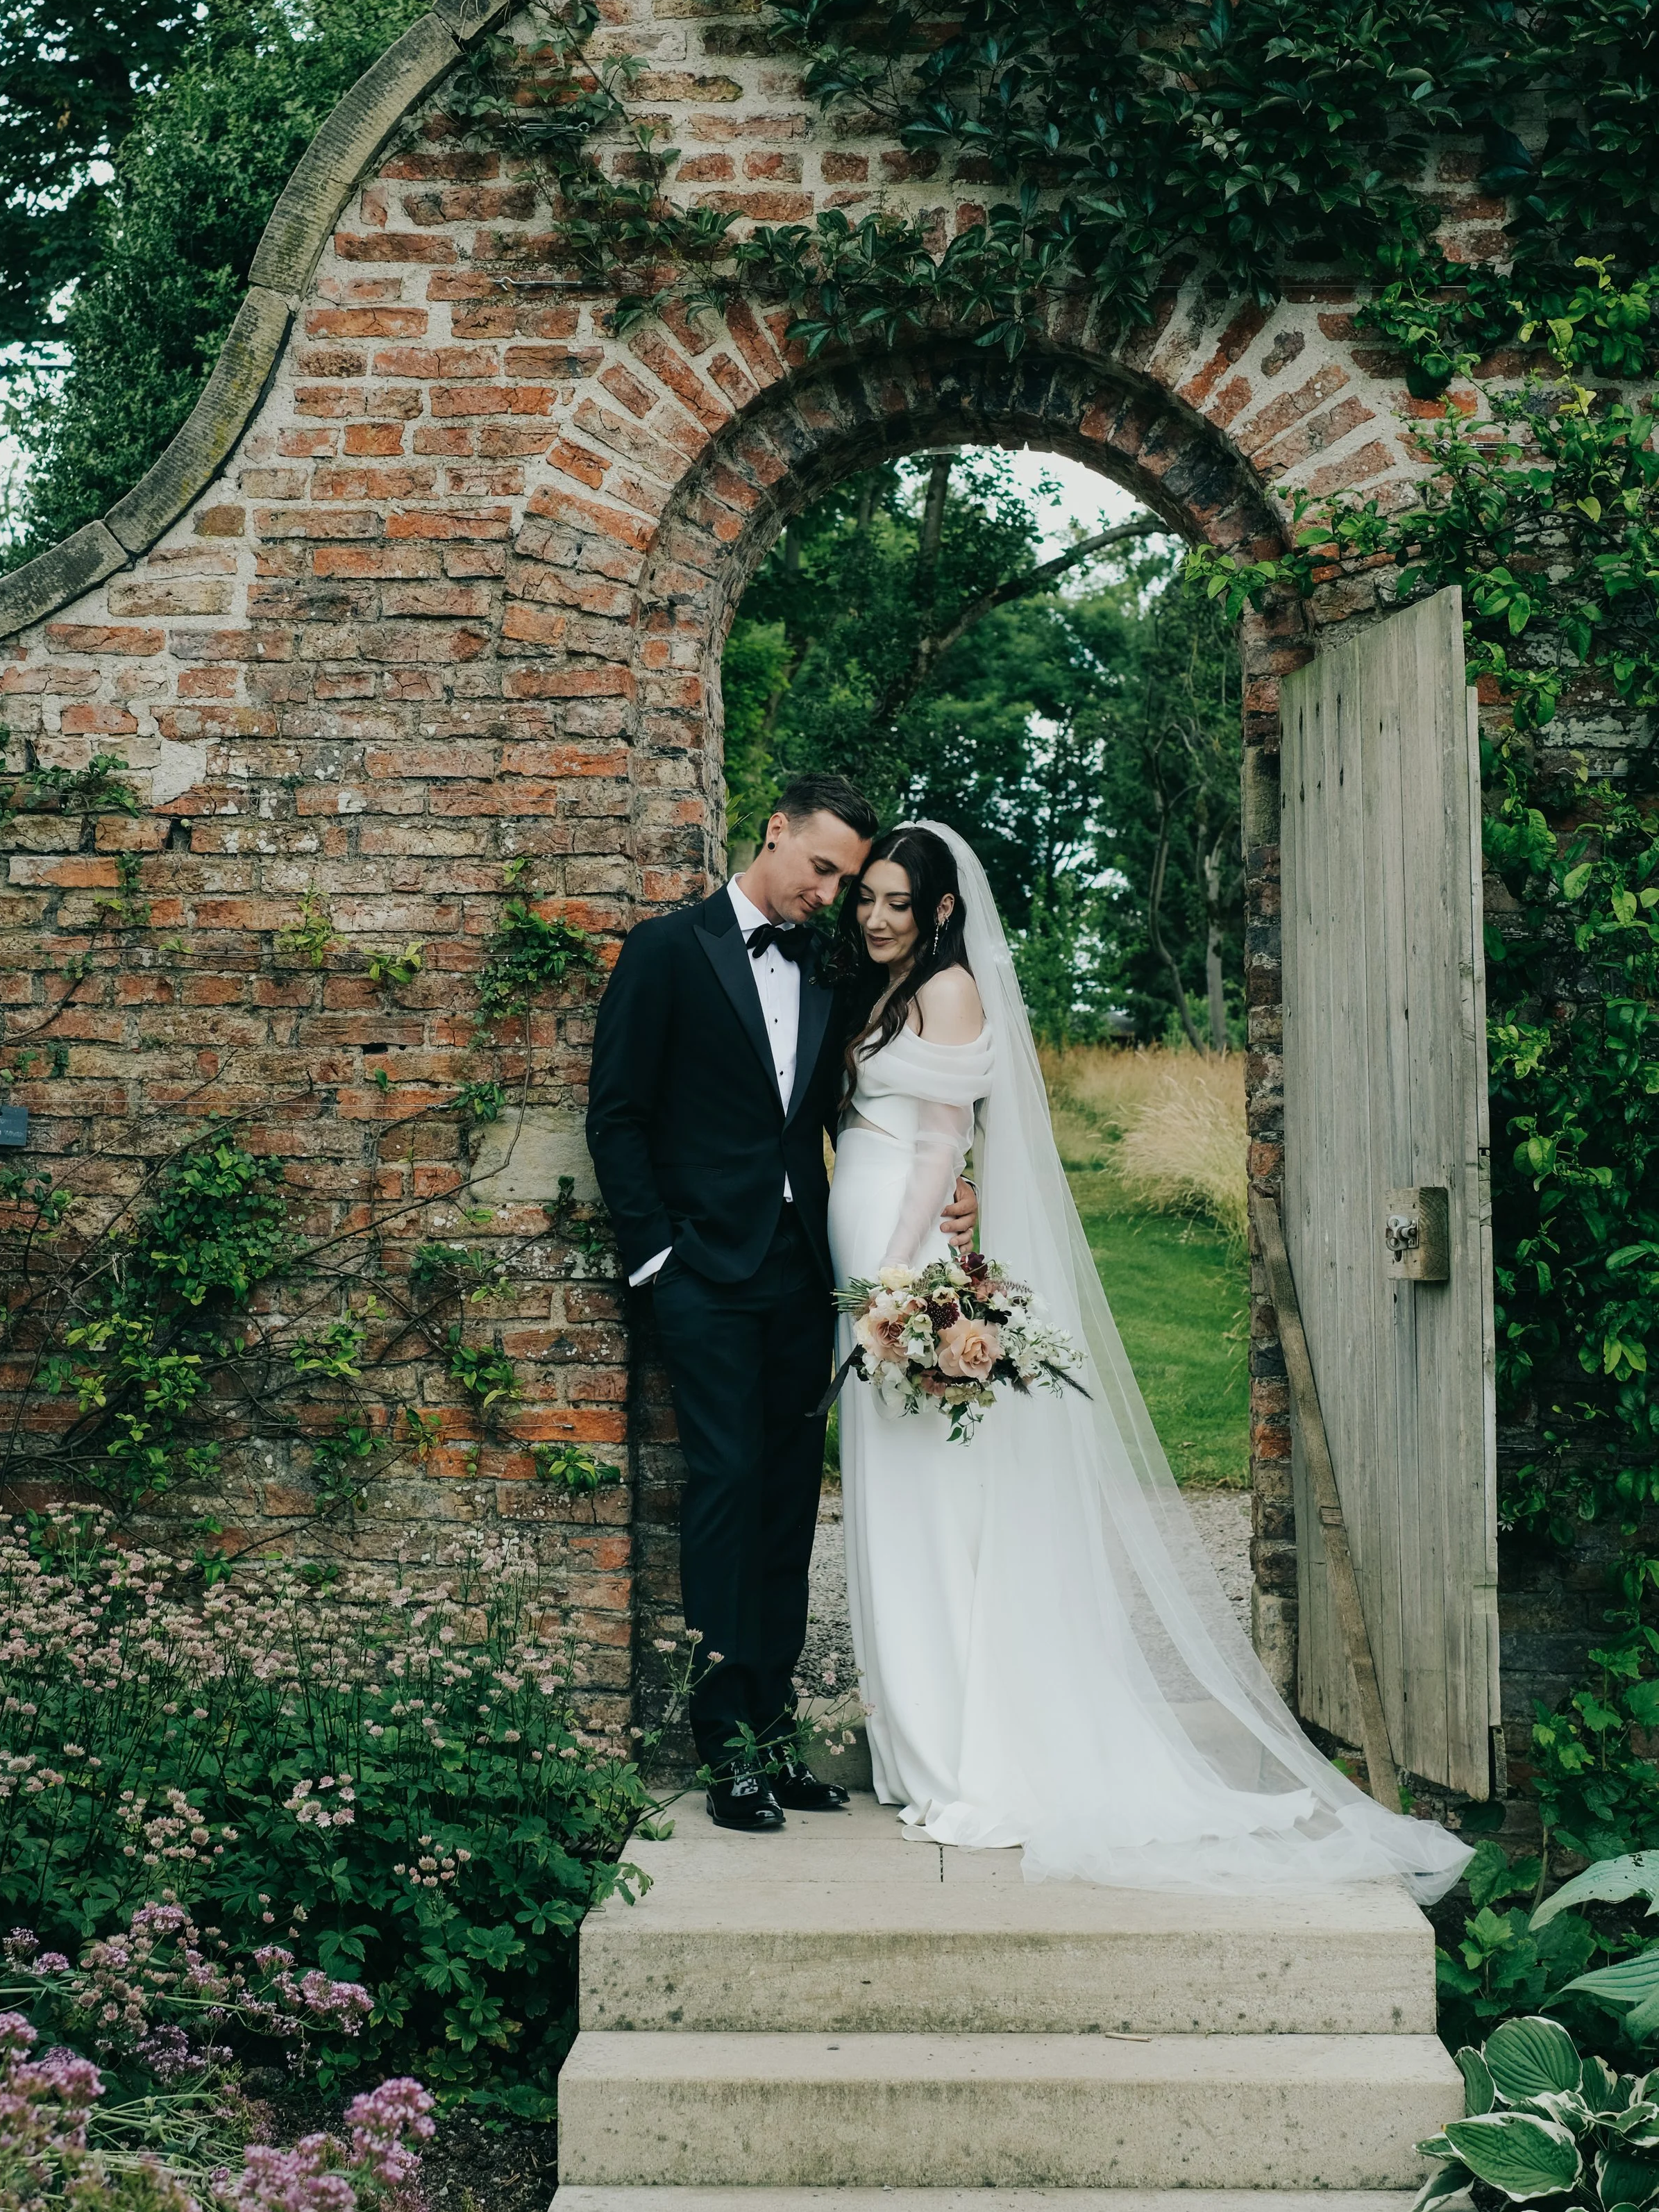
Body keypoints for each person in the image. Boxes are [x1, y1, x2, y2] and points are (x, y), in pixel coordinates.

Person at [831, 820, 1472, 1899]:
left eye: (898, 900)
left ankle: (959, 1745)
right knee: (893, 1499)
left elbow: (943, 1140)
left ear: (942, 910)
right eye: (868, 900)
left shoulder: (946, 989)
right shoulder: (889, 990)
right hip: (871, 1257)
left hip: (902, 1264)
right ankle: (917, 1740)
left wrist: (898, 1279)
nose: (878, 916)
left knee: (935, 1503)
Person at [584, 774, 977, 1833]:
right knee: (724, 1492)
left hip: (806, 1278)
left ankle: (775, 1732)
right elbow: (616, 1116)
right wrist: (656, 1258)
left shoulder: (829, 964)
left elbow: (894, 1088)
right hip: (704, 1279)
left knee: (789, 1508)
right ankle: (728, 1754)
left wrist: (956, 1177)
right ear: (776, 834)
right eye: (825, 870)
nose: (834, 893)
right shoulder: (666, 950)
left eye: (849, 880)